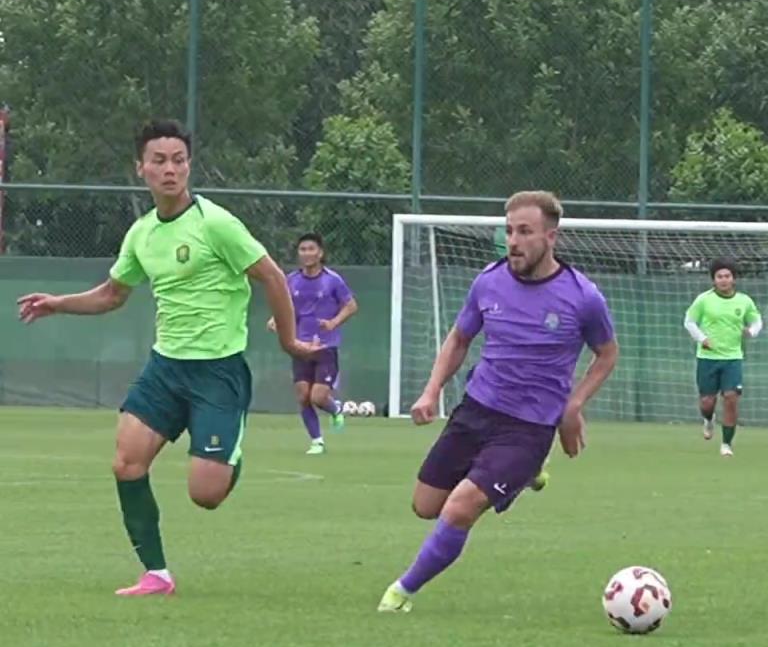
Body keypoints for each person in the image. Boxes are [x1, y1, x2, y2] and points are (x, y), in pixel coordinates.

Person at [17, 119, 318, 597]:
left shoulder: (216, 224)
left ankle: (228, 451)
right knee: (126, 462)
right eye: (159, 160)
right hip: (166, 368)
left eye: (179, 160)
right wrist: (59, 303)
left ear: (189, 166)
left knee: (206, 494)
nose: (170, 169)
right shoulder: (142, 233)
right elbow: (113, 294)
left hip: (218, 370)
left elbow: (273, 277)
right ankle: (156, 574)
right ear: (141, 168)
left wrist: (289, 341)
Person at [377, 190, 619, 613]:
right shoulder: (488, 281)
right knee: (425, 506)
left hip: (528, 428)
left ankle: (401, 592)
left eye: (525, 232)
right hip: (476, 409)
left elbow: (607, 353)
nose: (513, 241)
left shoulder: (582, 296)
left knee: (460, 508)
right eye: (508, 231)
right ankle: (522, 477)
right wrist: (432, 390)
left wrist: (573, 406)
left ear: (550, 237)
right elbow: (459, 338)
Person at [267, 232, 358, 455]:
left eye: (311, 249)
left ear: (320, 253)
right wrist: (275, 320)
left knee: (317, 397)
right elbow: (284, 307)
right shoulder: (291, 280)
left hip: (326, 346)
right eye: (303, 249)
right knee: (302, 396)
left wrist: (333, 322)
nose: (307, 253)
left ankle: (335, 409)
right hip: (300, 346)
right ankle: (317, 441)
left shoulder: (332, 280)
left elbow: (351, 306)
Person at [684, 258, 763, 457]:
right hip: (707, 358)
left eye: (727, 276)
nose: (723, 280)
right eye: (719, 276)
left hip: (733, 358)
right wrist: (702, 339)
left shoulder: (744, 301)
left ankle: (726, 444)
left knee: (731, 398)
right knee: (707, 402)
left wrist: (751, 331)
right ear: (714, 280)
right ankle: (708, 419)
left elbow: (757, 321)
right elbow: (689, 322)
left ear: (733, 279)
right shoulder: (704, 300)